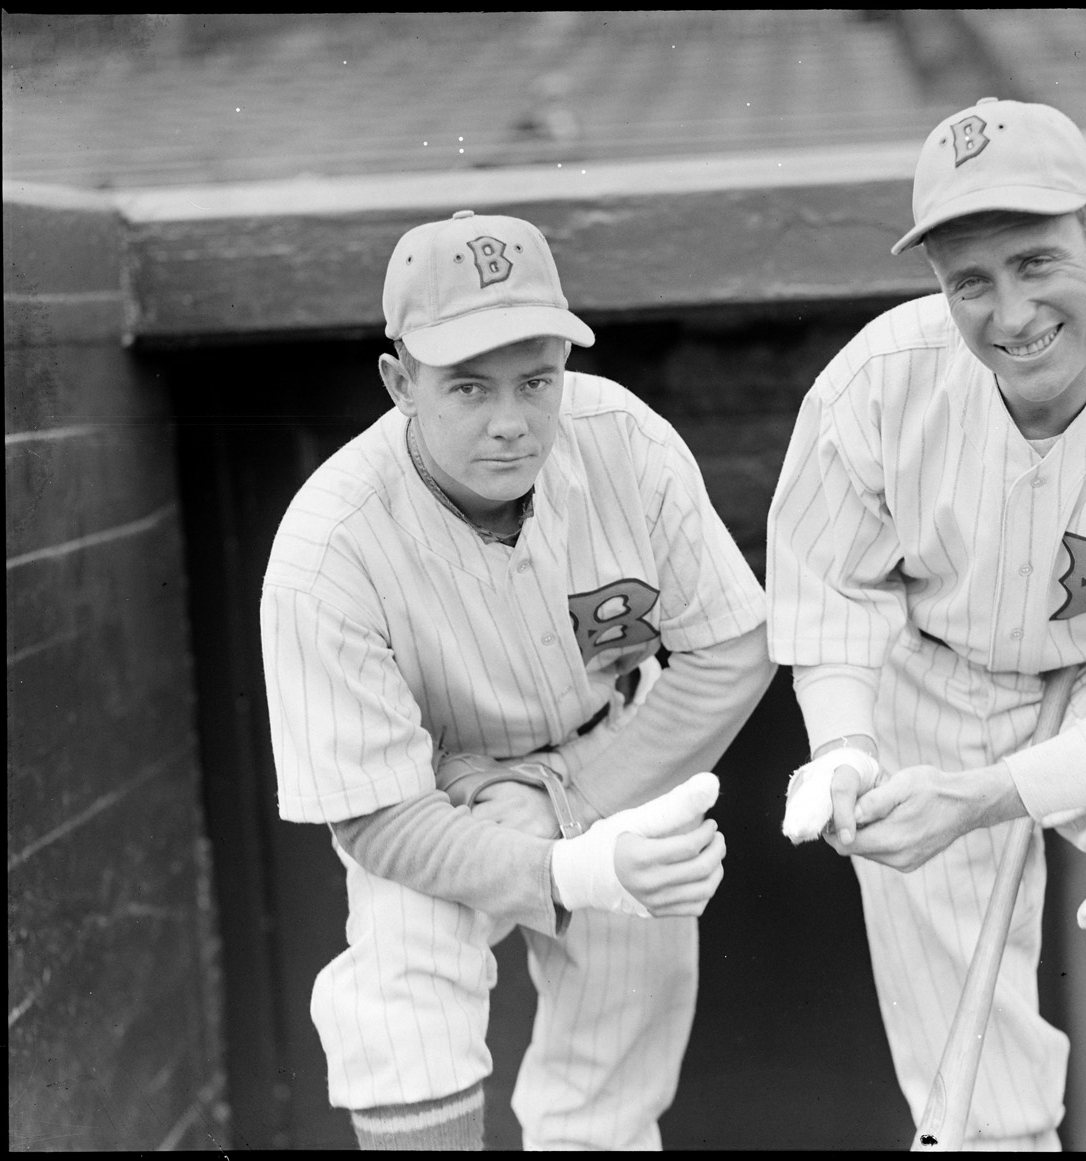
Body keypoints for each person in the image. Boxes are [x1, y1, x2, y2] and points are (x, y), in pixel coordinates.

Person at [767, 99, 1086, 1152]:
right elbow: (830, 599)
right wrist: (845, 747)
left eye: (1036, 261)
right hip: (934, 673)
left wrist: (992, 797)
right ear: (938, 285)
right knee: (970, 1075)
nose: (1009, 312)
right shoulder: (876, 382)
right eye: (971, 279)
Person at [259, 210, 774, 1150]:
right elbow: (375, 816)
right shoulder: (326, 546)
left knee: (609, 1089)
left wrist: (570, 807)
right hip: (441, 798)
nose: (511, 421)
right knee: (399, 999)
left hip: (618, 754)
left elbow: (733, 649)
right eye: (468, 385)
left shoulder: (624, 440)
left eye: (537, 379)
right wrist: (555, 855)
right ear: (398, 380)